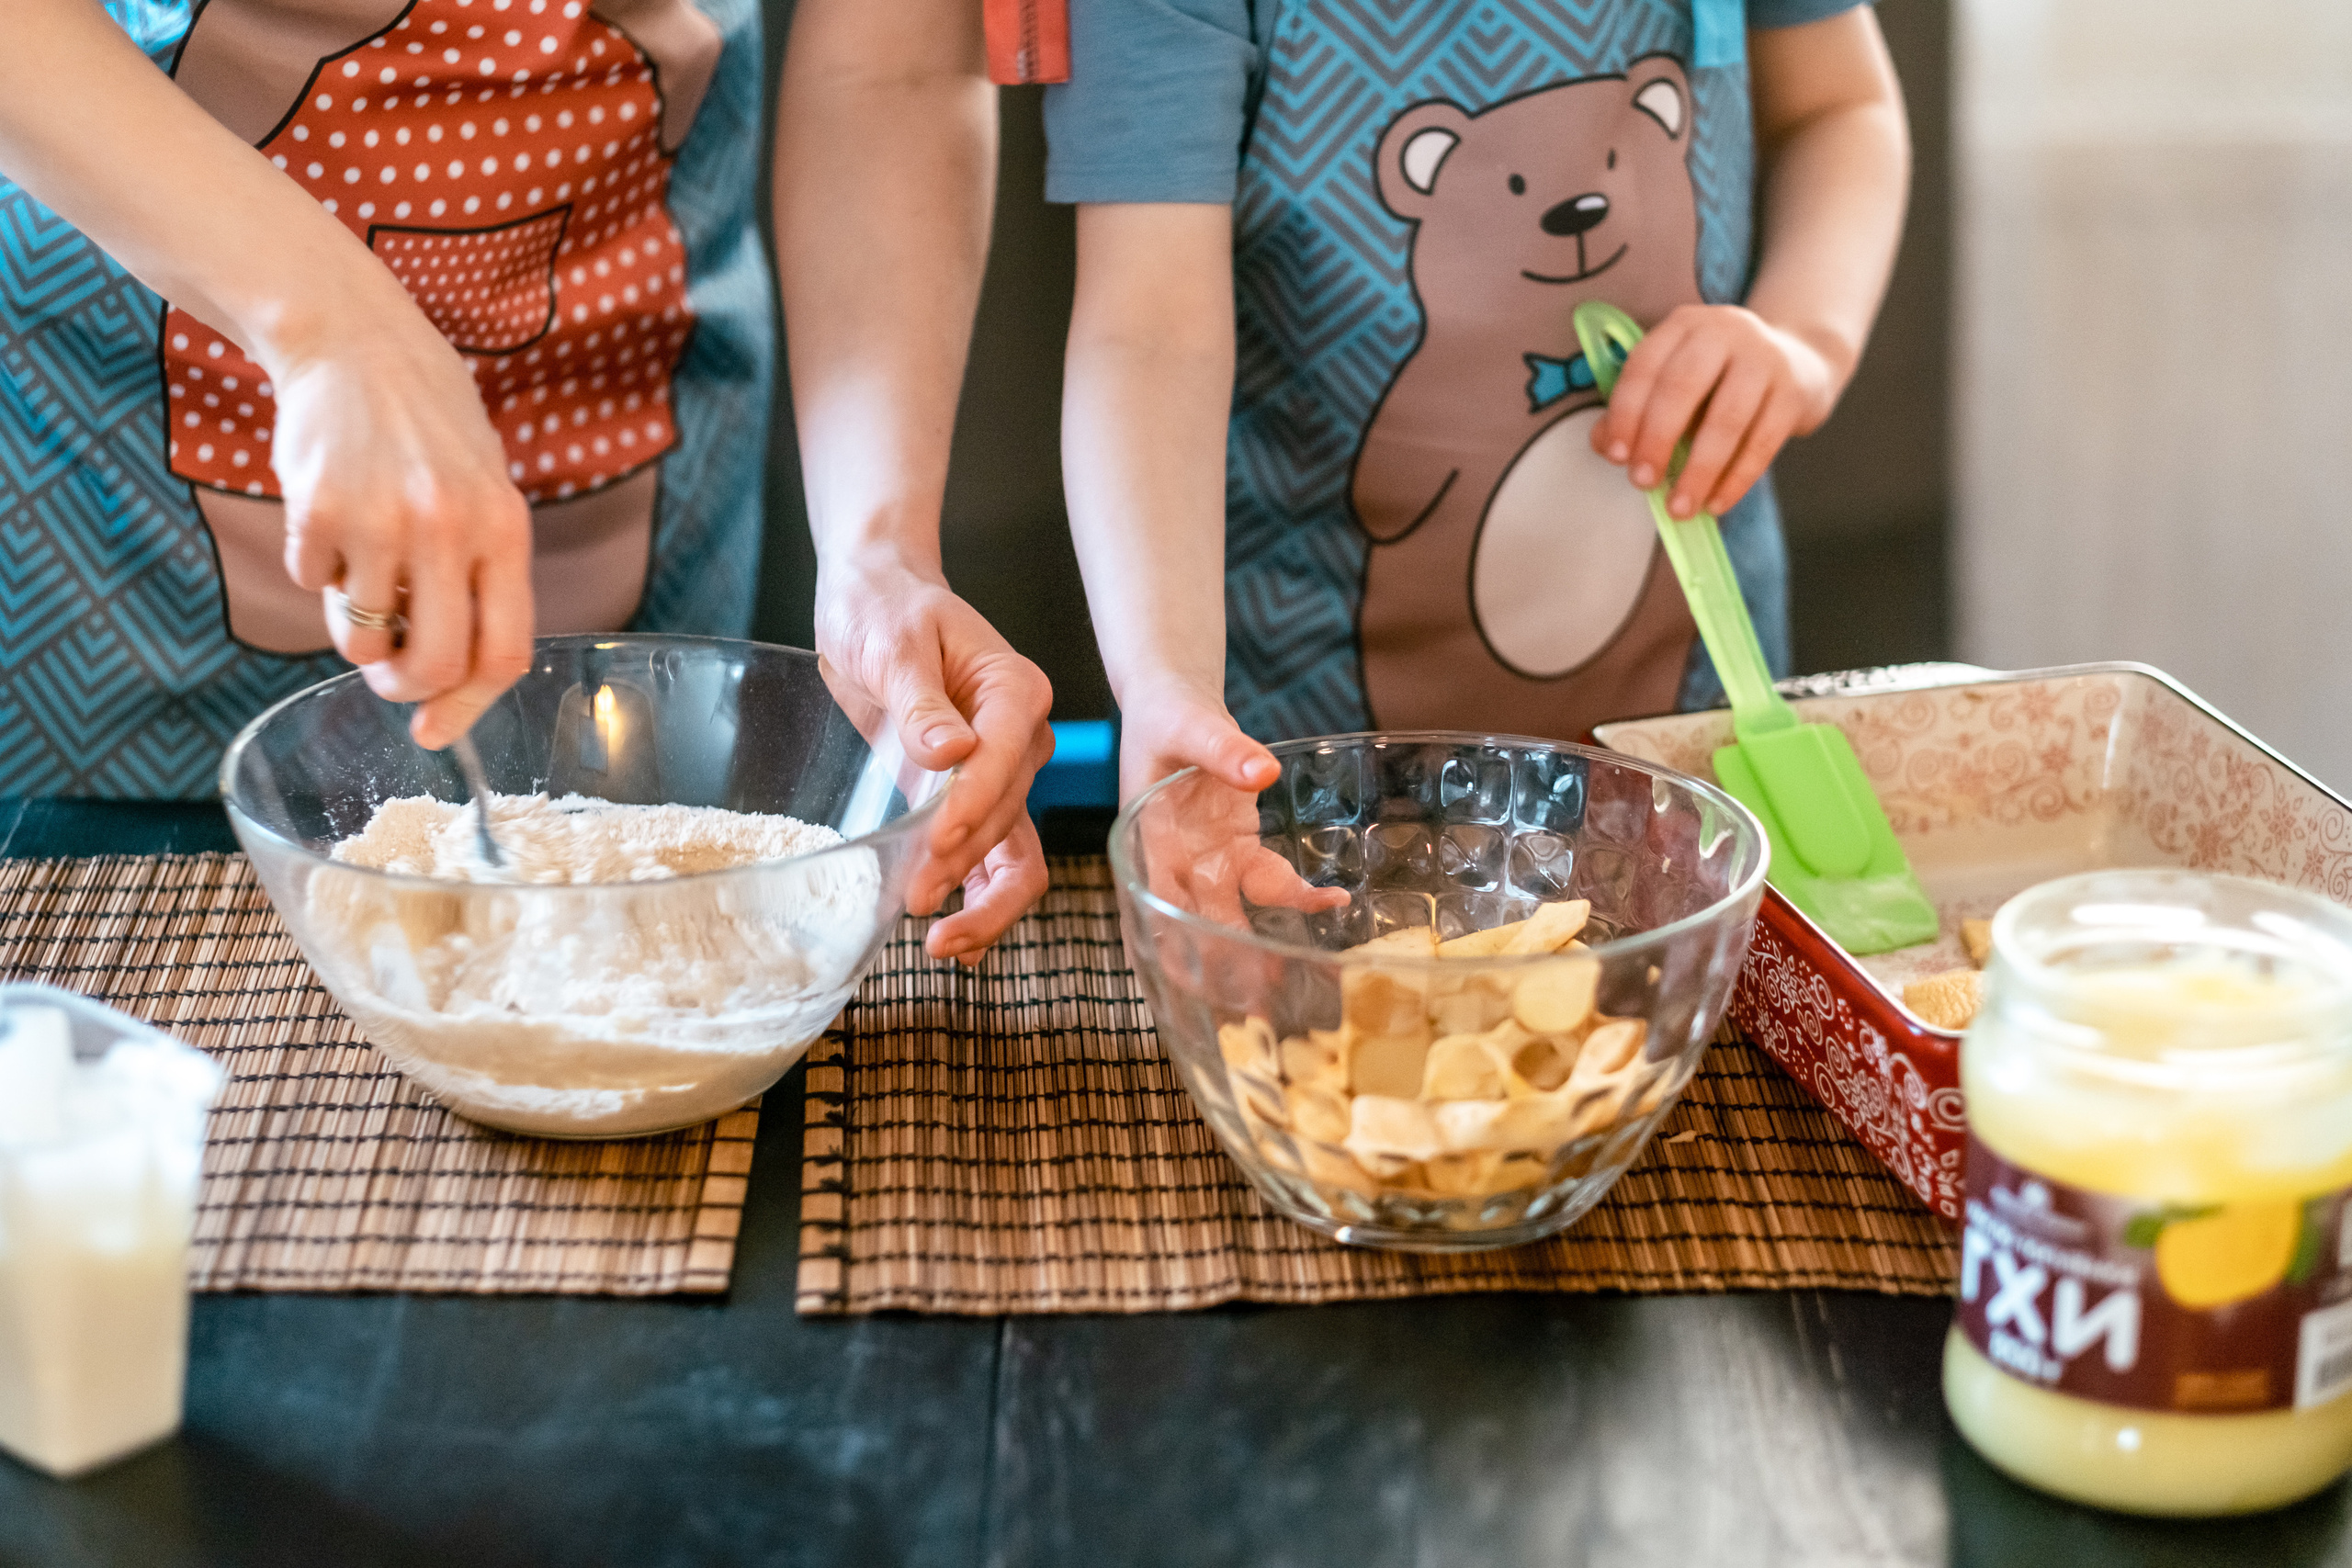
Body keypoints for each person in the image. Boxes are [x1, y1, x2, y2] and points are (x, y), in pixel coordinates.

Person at [0, 0, 1049, 958]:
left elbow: (892, 72)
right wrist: (330, 328)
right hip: (116, 496)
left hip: (636, 434)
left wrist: (878, 552)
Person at [1044, 0, 1910, 804]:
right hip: (1299, 761)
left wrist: (1804, 340)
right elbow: (1145, 330)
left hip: (1695, 717)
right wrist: (1165, 680)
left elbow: (1838, 109)